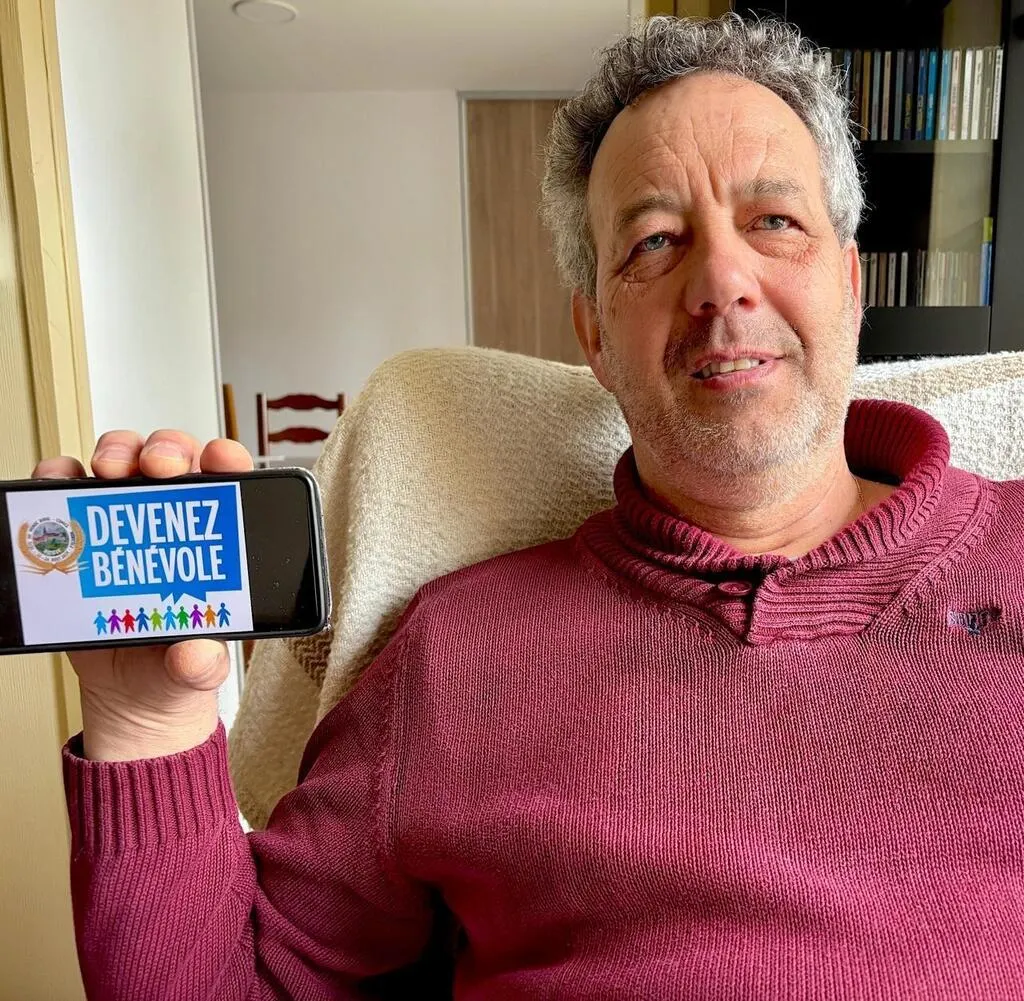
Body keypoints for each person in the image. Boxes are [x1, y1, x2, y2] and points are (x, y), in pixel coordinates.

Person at [42, 15, 1024, 1000]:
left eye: (773, 221)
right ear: (594, 334)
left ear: (848, 282)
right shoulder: (453, 657)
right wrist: (145, 717)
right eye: (654, 241)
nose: (723, 281)